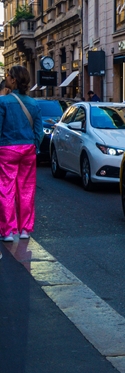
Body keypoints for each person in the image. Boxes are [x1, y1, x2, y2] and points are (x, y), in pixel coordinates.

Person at [0, 66, 44, 242]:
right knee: (26, 189)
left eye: (9, 76)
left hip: (7, 149)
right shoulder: (34, 104)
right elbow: (39, 131)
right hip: (28, 149)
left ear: (13, 80)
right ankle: (25, 229)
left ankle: (8, 231)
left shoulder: (3, 102)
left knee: (6, 189)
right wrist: (34, 146)